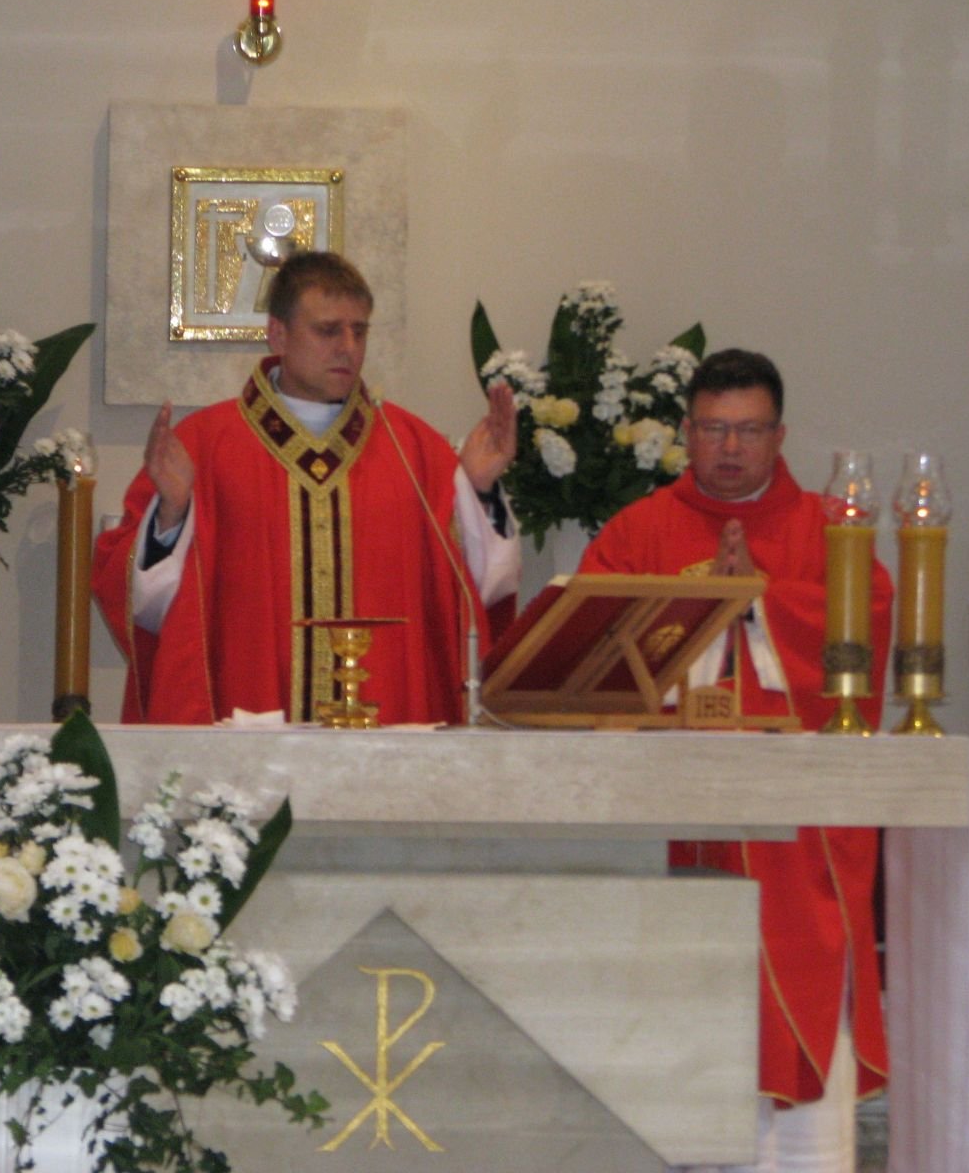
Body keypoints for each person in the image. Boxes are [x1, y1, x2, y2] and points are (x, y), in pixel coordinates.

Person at [577, 348, 892, 1173]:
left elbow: (867, 635)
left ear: (780, 435)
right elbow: (588, 653)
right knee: (675, 1031)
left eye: (749, 431)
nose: (729, 448)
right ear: (686, 431)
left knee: (797, 1066)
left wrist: (760, 601)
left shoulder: (831, 530)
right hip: (672, 828)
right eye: (713, 429)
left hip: (795, 843)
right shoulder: (638, 530)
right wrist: (696, 612)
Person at [94, 251, 520, 725]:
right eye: (328, 330)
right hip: (248, 725)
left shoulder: (415, 450)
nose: (348, 348)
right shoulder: (201, 447)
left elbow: (477, 595)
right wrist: (172, 516)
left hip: (387, 730)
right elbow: (137, 600)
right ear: (278, 334)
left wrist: (479, 492)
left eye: (359, 331)